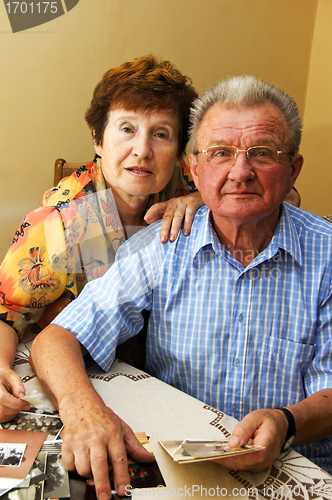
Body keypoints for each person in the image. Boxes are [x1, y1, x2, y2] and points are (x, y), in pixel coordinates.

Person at [30, 75, 332, 499]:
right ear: (195, 168)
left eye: (261, 154)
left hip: (294, 467)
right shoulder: (162, 244)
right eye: (221, 154)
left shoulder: (328, 255)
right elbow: (57, 338)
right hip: (173, 468)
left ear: (293, 168)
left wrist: (287, 421)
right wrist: (83, 411)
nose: (240, 172)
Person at [0, 54, 203, 423]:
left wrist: (202, 198)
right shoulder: (64, 220)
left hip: (161, 383)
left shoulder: (188, 182)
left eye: (161, 134)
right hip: (76, 376)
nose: (142, 150)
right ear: (97, 138)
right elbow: (5, 312)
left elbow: (286, 194)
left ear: (178, 152)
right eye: (127, 129)